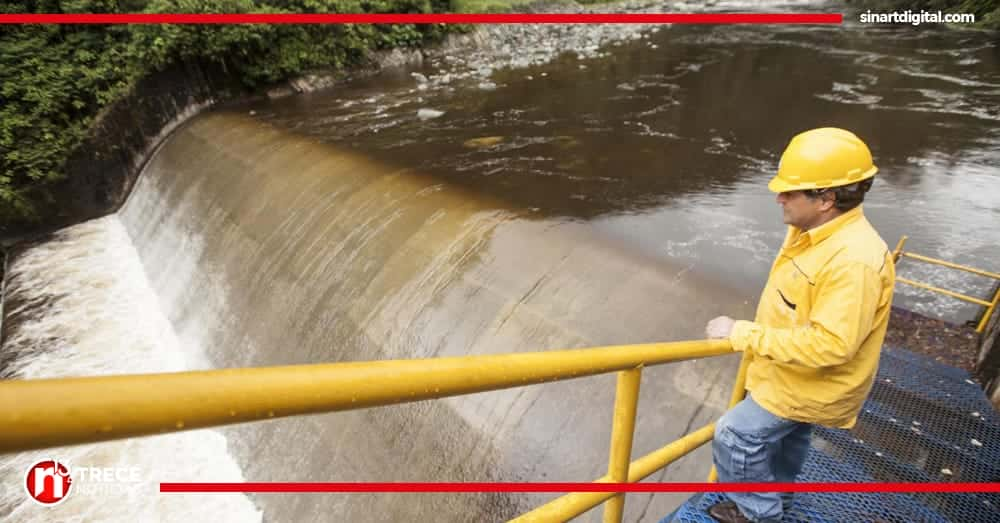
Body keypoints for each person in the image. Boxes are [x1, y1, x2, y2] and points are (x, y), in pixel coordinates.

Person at [703, 128, 896, 523]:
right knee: (790, 439)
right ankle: (781, 503)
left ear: (826, 199)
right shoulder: (817, 232)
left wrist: (741, 333)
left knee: (736, 435)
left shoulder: (852, 261)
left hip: (810, 381)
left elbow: (831, 346)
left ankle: (761, 514)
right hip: (794, 373)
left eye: (790, 192)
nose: (779, 198)